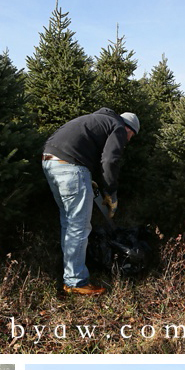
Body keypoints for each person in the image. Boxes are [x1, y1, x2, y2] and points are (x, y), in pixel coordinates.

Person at [42, 108, 140, 296]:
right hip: (70, 167)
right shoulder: (118, 127)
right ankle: (76, 282)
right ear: (129, 129)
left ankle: (69, 274)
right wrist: (110, 192)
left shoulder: (97, 119)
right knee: (79, 226)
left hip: (50, 161)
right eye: (131, 136)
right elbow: (110, 160)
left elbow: (89, 151)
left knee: (69, 223)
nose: (128, 140)